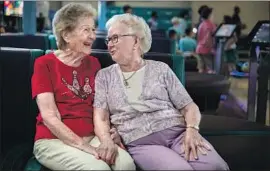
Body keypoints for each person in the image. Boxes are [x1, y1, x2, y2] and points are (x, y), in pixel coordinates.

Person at [93, 13, 229, 170]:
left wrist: (192, 129)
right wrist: (106, 140)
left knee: (215, 166)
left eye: (115, 38)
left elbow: (189, 107)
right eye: (108, 39)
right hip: (142, 141)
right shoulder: (104, 76)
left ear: (136, 41)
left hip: (179, 133)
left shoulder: (161, 69)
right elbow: (100, 116)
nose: (109, 44)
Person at [31, 3, 135, 170]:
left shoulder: (93, 63)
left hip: (93, 136)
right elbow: (50, 116)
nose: (93, 36)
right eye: (86, 30)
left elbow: (100, 109)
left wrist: (107, 139)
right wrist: (85, 147)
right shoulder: (44, 64)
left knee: (126, 164)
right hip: (53, 140)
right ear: (66, 35)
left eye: (93, 30)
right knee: (98, 168)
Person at [196, 7, 217, 73]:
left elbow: (198, 37)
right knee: (210, 69)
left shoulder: (201, 24)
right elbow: (208, 38)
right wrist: (211, 48)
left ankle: (199, 82)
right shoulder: (210, 25)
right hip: (206, 49)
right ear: (209, 15)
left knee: (201, 68)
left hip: (199, 48)